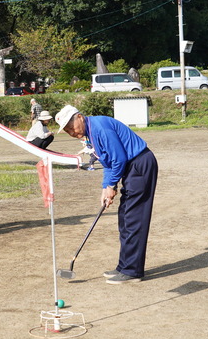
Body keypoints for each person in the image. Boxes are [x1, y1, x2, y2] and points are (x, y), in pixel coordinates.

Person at [55, 105, 158, 284]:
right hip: (131, 167)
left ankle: (132, 271)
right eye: (66, 130)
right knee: (124, 218)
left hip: (140, 164)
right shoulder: (91, 133)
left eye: (71, 127)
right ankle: (124, 266)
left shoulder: (100, 127)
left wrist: (112, 185)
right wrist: (106, 188)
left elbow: (118, 158)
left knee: (133, 219)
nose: (71, 132)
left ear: (79, 117)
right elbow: (108, 162)